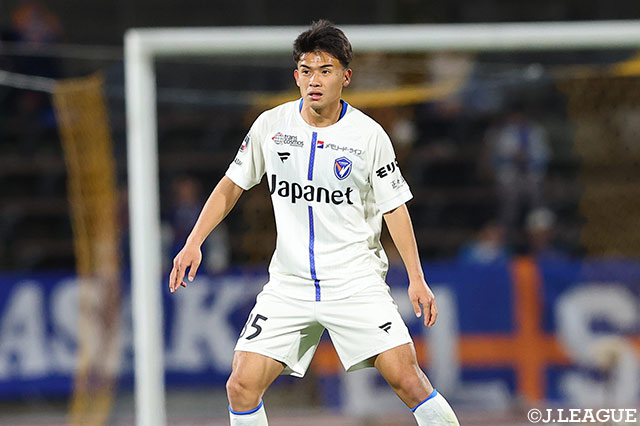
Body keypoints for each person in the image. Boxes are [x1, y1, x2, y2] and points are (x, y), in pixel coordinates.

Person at [169, 20, 460, 426]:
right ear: (296, 77)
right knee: (241, 385)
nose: (315, 81)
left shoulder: (368, 136)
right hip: (290, 285)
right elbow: (231, 185)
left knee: (408, 380)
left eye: (325, 71)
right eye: (306, 71)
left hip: (354, 283)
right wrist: (194, 241)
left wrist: (416, 278)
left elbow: (394, 207)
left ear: (345, 77)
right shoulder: (272, 126)